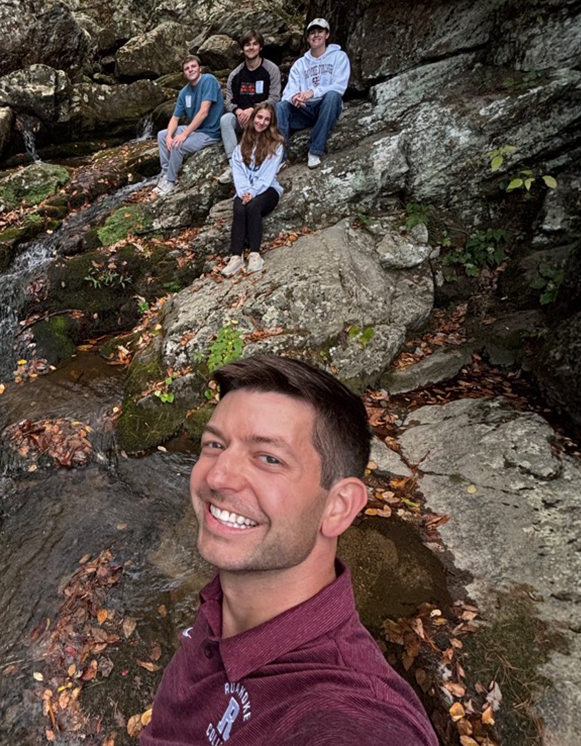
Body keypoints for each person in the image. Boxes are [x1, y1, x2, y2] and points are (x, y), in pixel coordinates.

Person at [140, 354, 437, 746]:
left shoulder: (352, 715)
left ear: (338, 507)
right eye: (215, 444)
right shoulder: (226, 596)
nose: (216, 475)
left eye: (269, 458)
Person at [276, 18, 350, 169]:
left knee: (332, 95)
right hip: (304, 110)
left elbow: (339, 86)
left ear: (327, 34)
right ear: (308, 38)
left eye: (320, 31)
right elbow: (289, 91)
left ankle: (315, 150)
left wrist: (313, 92)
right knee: (281, 106)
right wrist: (294, 98)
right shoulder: (300, 64)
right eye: (312, 33)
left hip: (325, 107)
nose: (316, 35)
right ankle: (279, 157)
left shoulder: (339, 56)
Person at [222, 103, 283, 277]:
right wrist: (244, 192)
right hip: (245, 189)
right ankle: (236, 256)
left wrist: (253, 192)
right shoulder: (241, 146)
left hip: (267, 189)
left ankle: (255, 254)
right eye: (259, 117)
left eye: (266, 119)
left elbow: (267, 175)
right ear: (253, 118)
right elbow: (238, 173)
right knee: (239, 207)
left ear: (271, 123)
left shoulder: (276, 145)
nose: (261, 122)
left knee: (253, 206)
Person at [155, 56, 223, 197]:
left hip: (210, 133)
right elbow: (175, 118)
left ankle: (171, 181)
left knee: (178, 144)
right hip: (195, 130)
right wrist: (169, 136)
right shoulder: (184, 92)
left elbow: (204, 112)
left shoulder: (208, 80)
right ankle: (165, 173)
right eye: (187, 68)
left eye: (193, 66)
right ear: (184, 74)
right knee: (162, 135)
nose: (190, 70)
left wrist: (184, 134)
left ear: (200, 68)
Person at [220, 30, 282, 162]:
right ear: (242, 48)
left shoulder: (271, 70)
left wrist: (254, 110)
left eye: (255, 44)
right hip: (242, 119)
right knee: (226, 119)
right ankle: (233, 161)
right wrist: (238, 111)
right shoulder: (235, 74)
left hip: (263, 117)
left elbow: (275, 98)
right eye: (247, 45)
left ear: (261, 47)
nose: (251, 48)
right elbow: (228, 102)